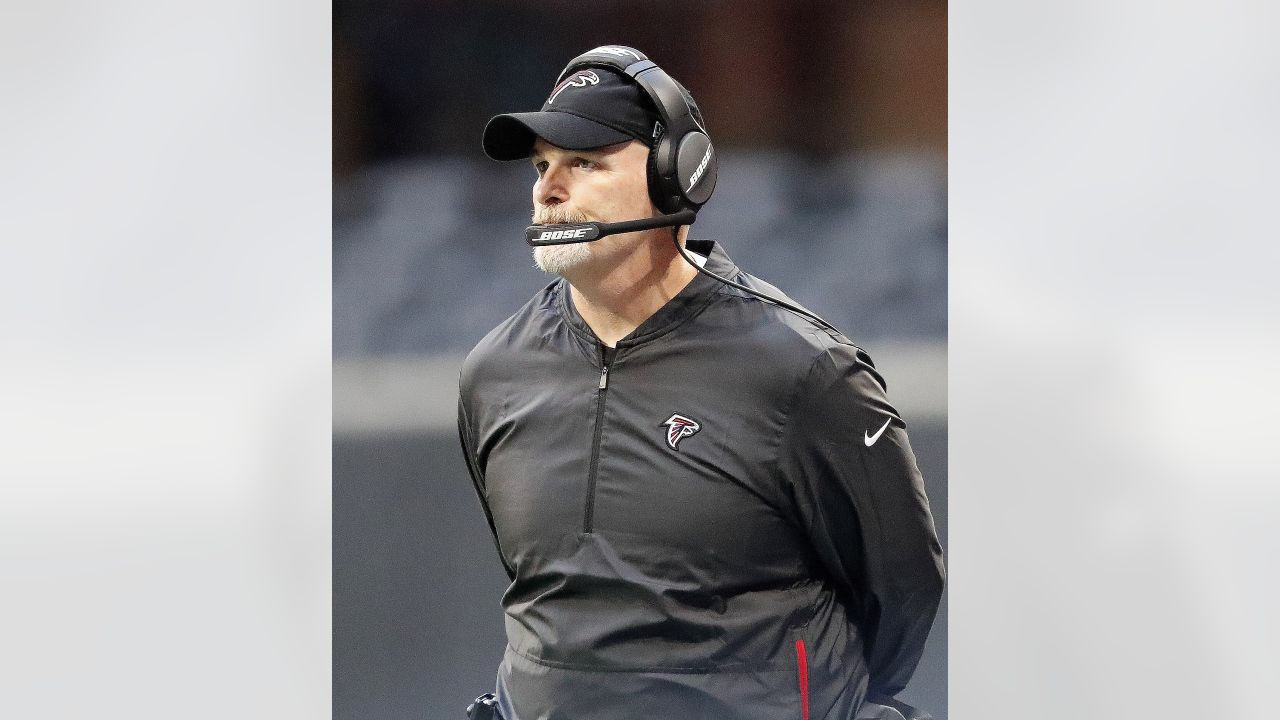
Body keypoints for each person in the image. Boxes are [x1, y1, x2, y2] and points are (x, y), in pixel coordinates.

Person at [457, 46, 944, 720]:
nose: (547, 189)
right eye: (541, 166)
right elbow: (540, 592)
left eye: (584, 163)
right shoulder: (494, 372)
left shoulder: (801, 369)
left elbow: (903, 589)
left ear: (674, 176)